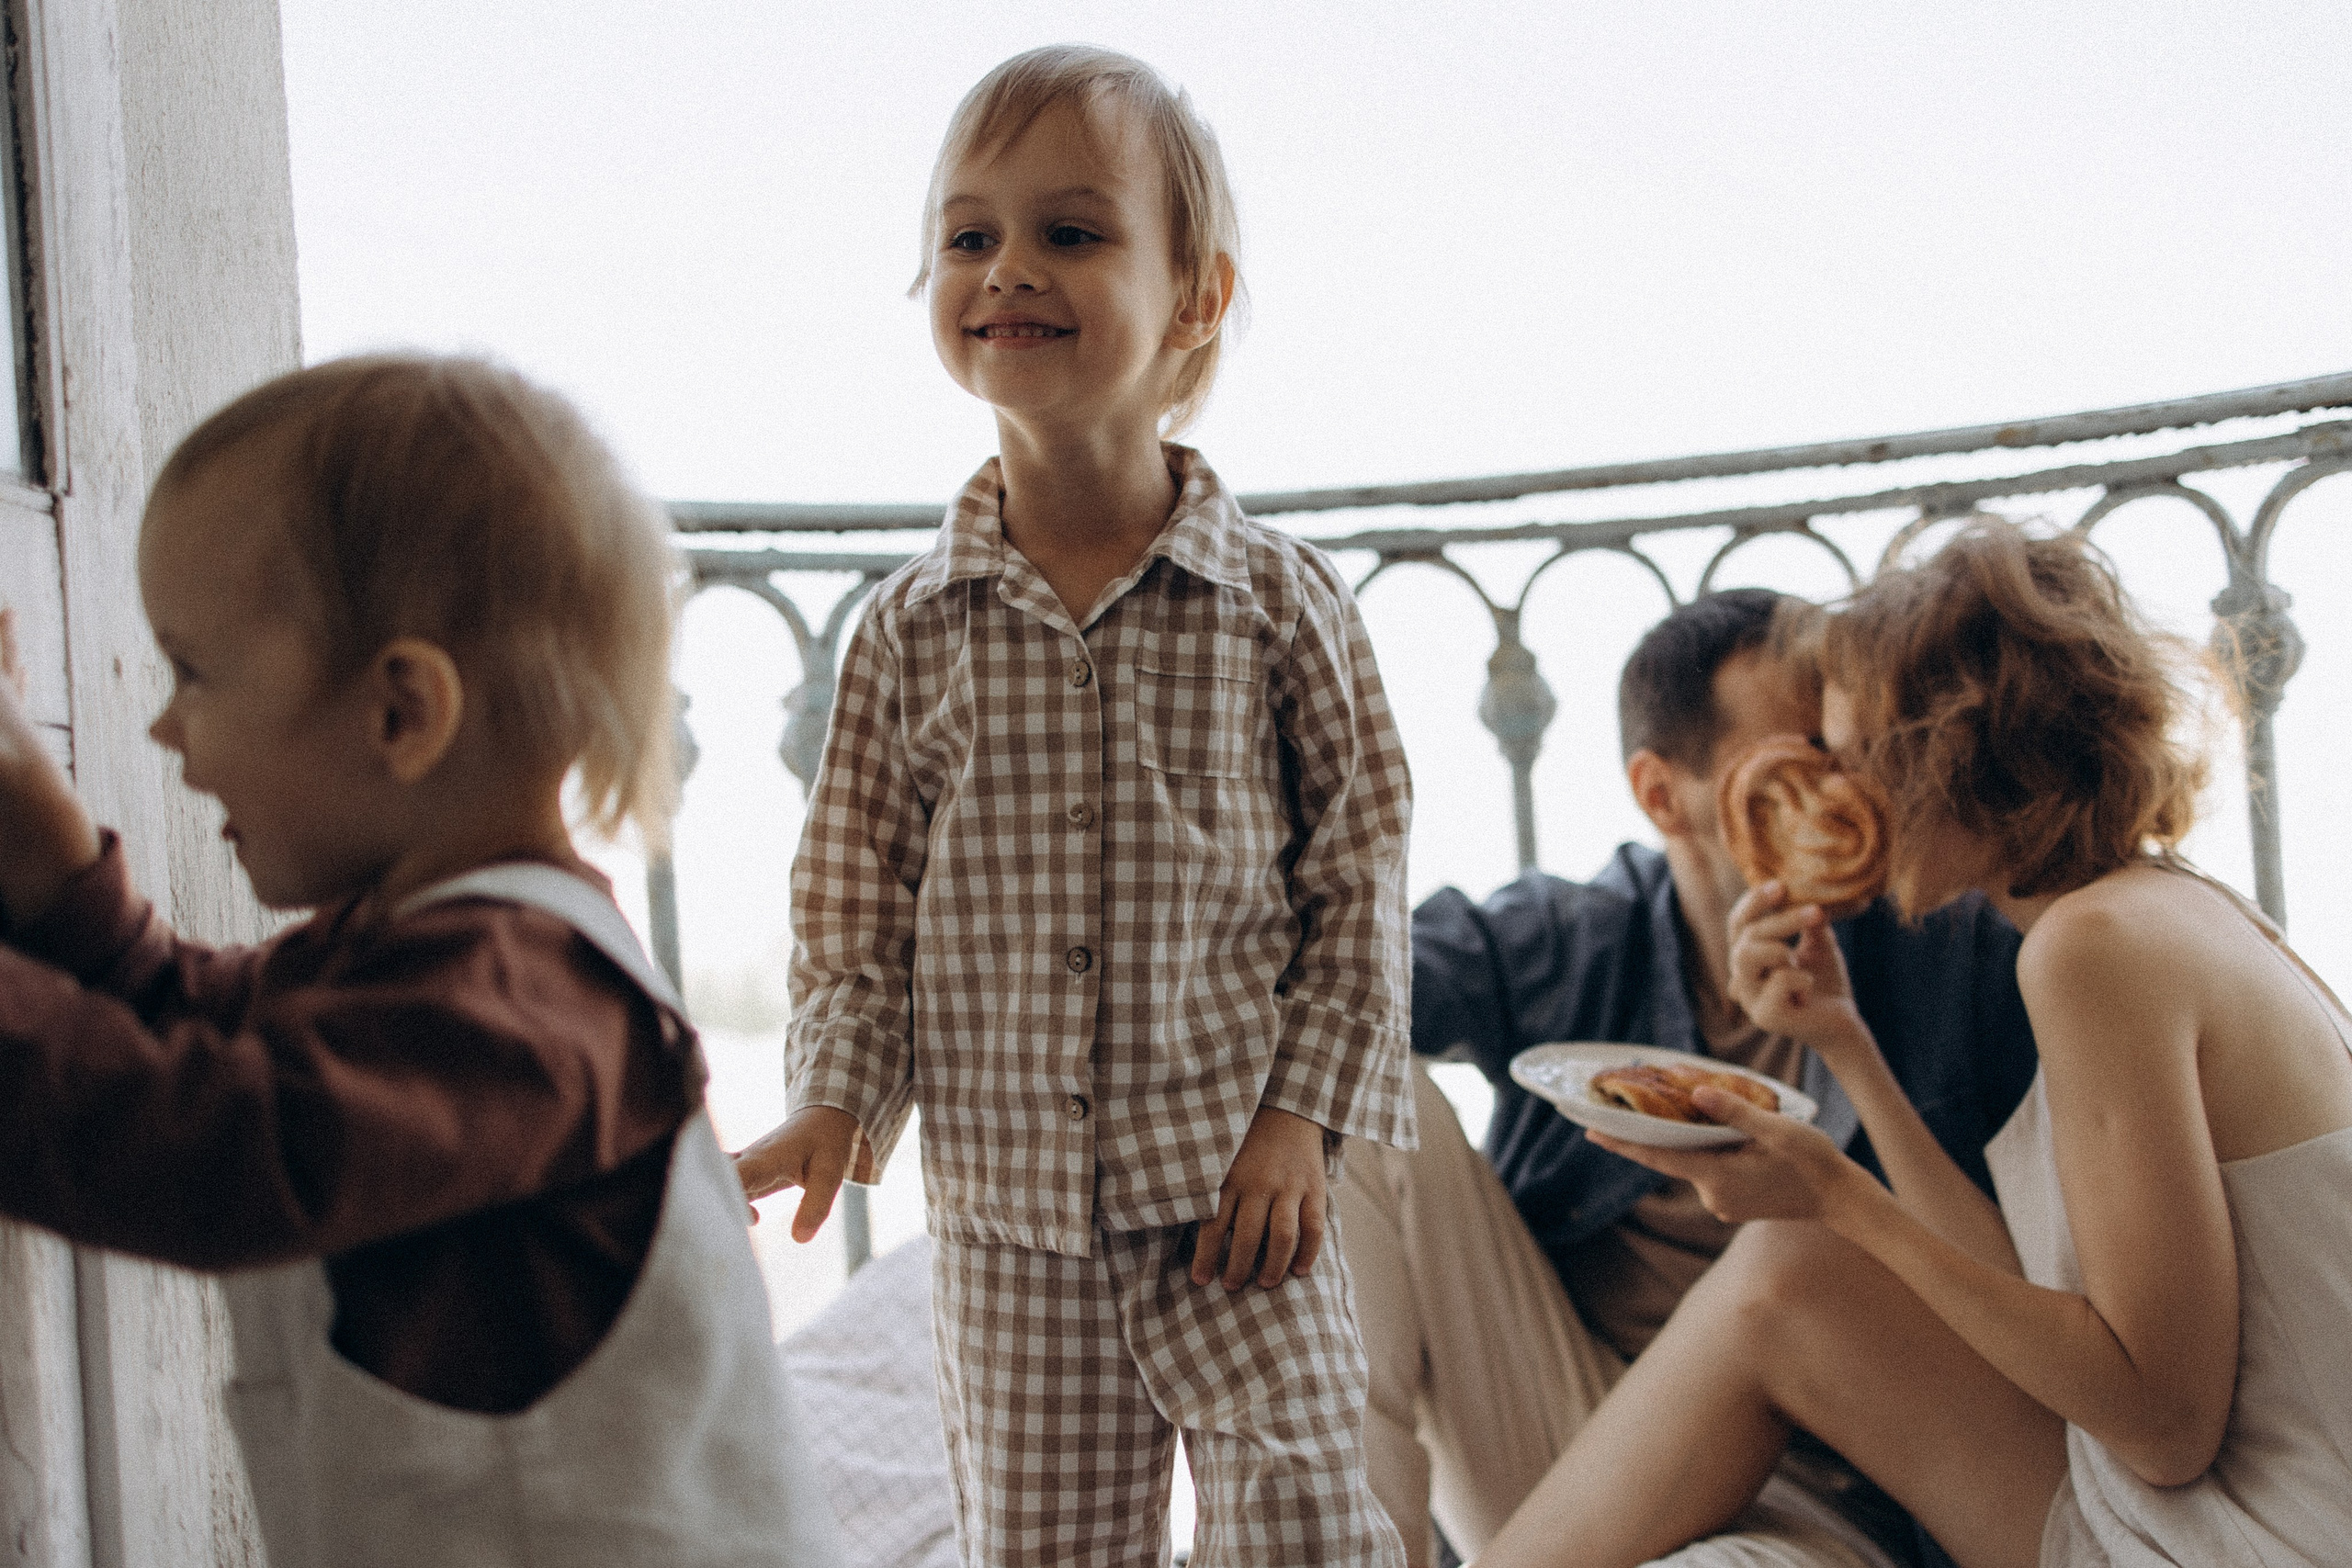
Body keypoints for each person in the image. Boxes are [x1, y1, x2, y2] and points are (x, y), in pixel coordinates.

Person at [731, 45, 1416, 1568]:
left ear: (1195, 297)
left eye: (1072, 231)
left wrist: (1302, 1121)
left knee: (1306, 1527)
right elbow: (856, 908)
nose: (1007, 271)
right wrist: (839, 1099)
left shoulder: (1281, 609)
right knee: (1044, 1548)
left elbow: (1356, 880)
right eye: (969, 237)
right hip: (1011, 1226)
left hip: (1245, 1209)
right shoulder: (913, 631)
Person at [0, 355, 836, 1564]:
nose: (162, 723)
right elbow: (202, 1029)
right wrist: (50, 855)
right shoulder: (420, 956)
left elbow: (226, 1140)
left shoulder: (529, 1004)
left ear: (402, 711)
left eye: (193, 672)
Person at [1476, 520, 2352, 1568]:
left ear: (1940, 753)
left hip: (2249, 1539)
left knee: (1796, 1260)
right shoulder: (2164, 910)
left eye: (1844, 757)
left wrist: (1838, 1199)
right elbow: (2055, 1296)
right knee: (1797, 1261)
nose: (1833, 796)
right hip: (2250, 1509)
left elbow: (2164, 1426)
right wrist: (1840, 1044)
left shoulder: (2091, 953)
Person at [1340, 588, 2040, 1568]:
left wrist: (1846, 1047)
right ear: (1663, 796)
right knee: (1356, 1105)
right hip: (1576, 1428)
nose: (1837, 793)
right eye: (1787, 765)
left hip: (1821, 1482)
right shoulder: (1575, 940)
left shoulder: (1941, 946)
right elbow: (1338, 983)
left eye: (1844, 755)